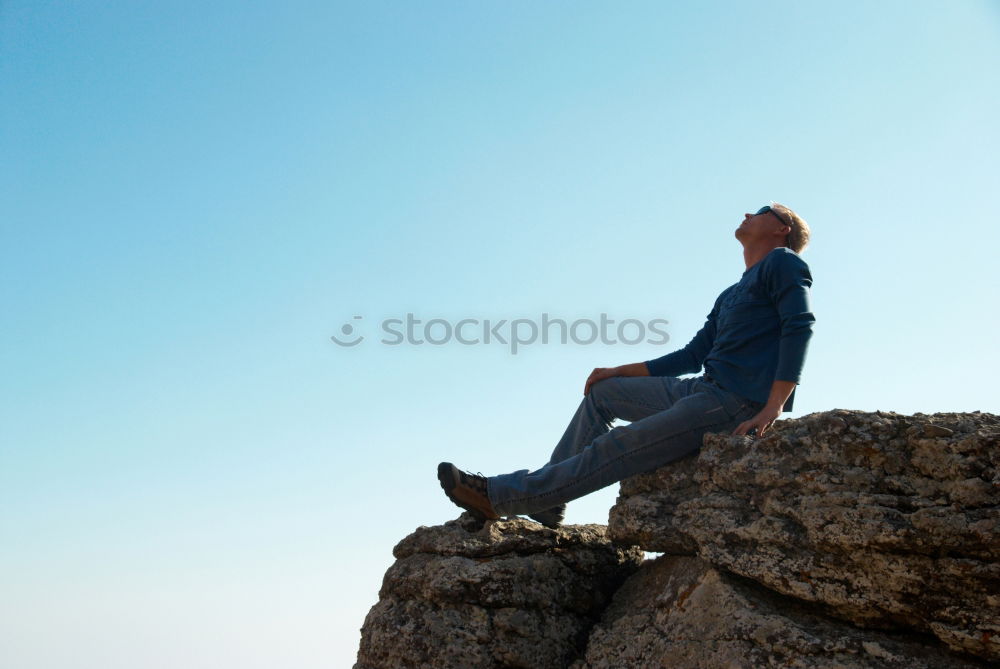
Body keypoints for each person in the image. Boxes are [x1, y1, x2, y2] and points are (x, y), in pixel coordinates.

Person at [438, 203, 815, 528]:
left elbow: (798, 326)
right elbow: (690, 356)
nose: (749, 213)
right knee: (604, 394)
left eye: (762, 211)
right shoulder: (731, 293)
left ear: (782, 228)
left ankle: (502, 495)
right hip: (701, 389)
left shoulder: (783, 262)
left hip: (733, 402)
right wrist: (618, 371)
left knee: (615, 444)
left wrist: (773, 406)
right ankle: (550, 502)